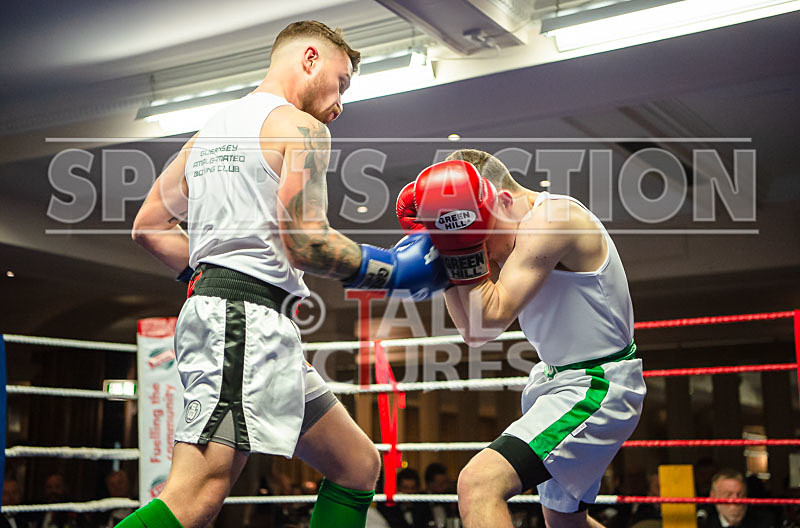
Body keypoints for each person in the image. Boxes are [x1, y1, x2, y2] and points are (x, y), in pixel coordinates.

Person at [125, 19, 447, 528]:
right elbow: (306, 242)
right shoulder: (301, 129)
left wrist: (212, 275)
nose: (340, 104)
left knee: (357, 465)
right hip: (241, 324)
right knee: (198, 496)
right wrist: (397, 271)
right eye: (341, 83)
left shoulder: (209, 134)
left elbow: (149, 227)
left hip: (247, 323)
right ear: (310, 58)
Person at [396, 151, 647, 528]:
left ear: (502, 199)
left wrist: (459, 247)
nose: (483, 248)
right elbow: (476, 331)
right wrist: (445, 261)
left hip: (596, 387)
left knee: (479, 483)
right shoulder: (511, 232)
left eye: (480, 231)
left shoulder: (553, 219)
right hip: (556, 382)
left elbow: (493, 313)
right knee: (564, 523)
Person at [698, 469, 775, 528]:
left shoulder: (763, 522)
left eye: (740, 495)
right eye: (728, 495)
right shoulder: (704, 522)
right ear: (713, 496)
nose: (736, 501)